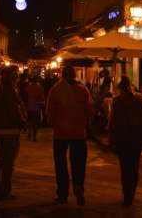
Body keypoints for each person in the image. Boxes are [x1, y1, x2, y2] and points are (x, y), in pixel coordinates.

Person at [46, 66, 92, 206]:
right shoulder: (83, 90)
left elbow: (49, 111)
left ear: (62, 75)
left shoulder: (56, 89)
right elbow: (90, 110)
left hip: (60, 133)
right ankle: (78, 186)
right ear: (74, 75)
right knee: (79, 162)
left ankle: (63, 193)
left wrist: (54, 123)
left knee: (60, 163)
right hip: (78, 133)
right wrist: (84, 123)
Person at [109, 75, 142, 206]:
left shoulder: (117, 101)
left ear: (120, 88)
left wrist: (111, 139)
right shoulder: (139, 99)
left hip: (123, 140)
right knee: (134, 167)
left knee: (125, 168)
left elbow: (113, 122)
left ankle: (126, 193)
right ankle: (132, 192)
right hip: (136, 139)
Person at [0, 66, 26, 201]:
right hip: (10, 130)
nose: (18, 77)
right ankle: (4, 190)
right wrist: (21, 121)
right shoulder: (9, 91)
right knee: (8, 161)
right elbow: (13, 111)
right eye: (16, 75)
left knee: (1, 160)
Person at [25, 76, 45, 142]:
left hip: (29, 106)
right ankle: (34, 136)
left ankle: (29, 132)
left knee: (29, 121)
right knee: (35, 122)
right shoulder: (39, 88)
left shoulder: (28, 87)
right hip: (36, 107)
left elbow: (26, 96)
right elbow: (42, 97)